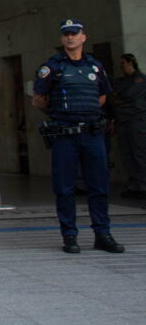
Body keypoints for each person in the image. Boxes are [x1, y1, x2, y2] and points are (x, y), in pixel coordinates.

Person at [32, 19, 124, 254]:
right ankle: (70, 236)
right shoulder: (53, 67)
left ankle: (102, 234)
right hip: (65, 135)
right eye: (66, 34)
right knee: (65, 187)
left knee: (99, 185)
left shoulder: (94, 66)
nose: (70, 38)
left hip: (92, 134)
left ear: (84, 37)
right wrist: (61, 115)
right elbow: (39, 99)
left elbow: (102, 97)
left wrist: (87, 114)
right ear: (62, 38)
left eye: (74, 34)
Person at [110, 53, 146, 199]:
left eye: (123, 62)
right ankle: (134, 185)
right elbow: (113, 97)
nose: (121, 66)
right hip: (122, 121)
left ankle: (143, 185)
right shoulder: (120, 81)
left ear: (131, 63)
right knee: (127, 155)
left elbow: (128, 94)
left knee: (139, 154)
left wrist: (119, 97)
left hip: (137, 121)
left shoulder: (140, 80)